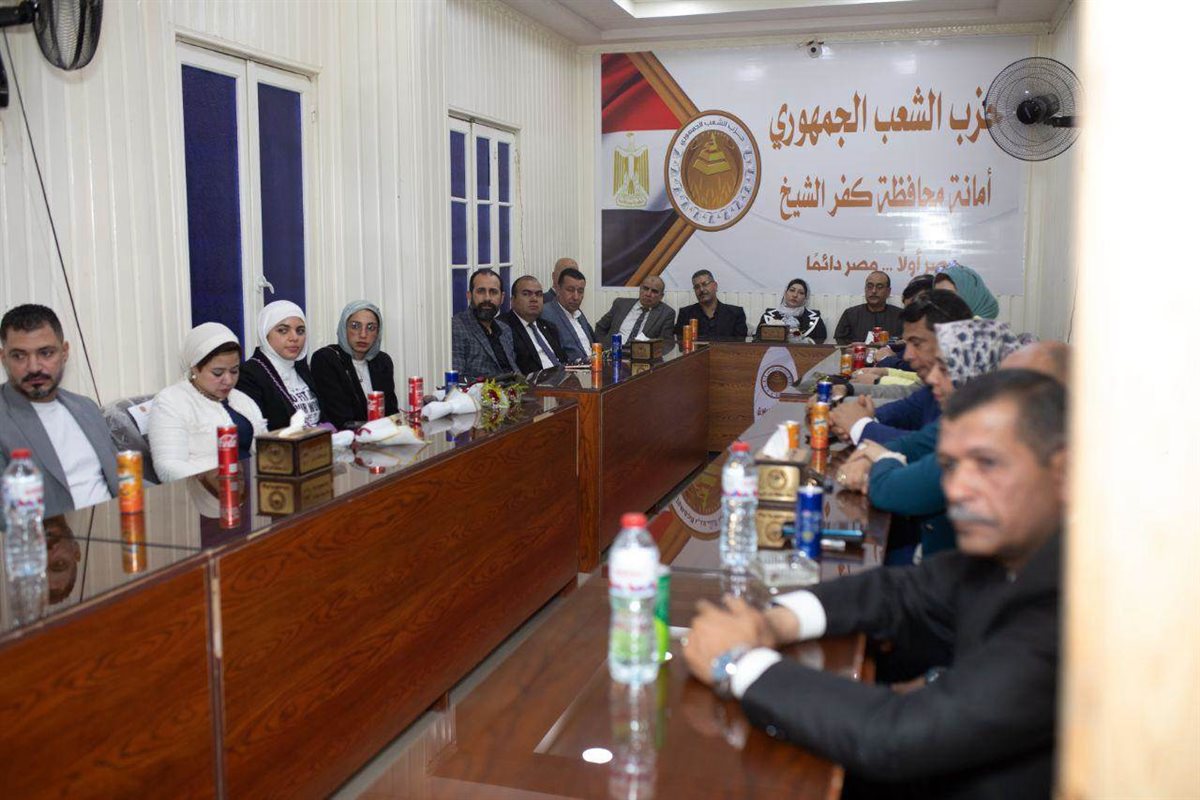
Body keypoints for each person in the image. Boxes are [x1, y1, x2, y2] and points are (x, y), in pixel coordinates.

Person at [683, 369, 1067, 799]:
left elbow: (897, 738)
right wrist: (776, 622)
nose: (957, 489)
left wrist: (736, 664)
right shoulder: (1010, 554)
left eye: (987, 463)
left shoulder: (1075, 604)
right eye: (949, 466)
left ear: (1065, 472)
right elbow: (898, 591)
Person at [839, 319, 1035, 560]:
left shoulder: (988, 440)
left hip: (957, 572)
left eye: (943, 369)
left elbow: (889, 490)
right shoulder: (962, 420)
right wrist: (873, 454)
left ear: (975, 373)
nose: (931, 377)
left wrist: (881, 457)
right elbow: (910, 444)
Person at [0, 304, 117, 517]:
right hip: (52, 535)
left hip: (118, 523)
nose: (34, 367)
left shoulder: (86, 407)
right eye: (19, 356)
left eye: (46, 353)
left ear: (64, 353)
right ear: (3, 357)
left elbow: (121, 479)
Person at [830, 290, 973, 446]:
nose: (907, 356)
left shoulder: (974, 395)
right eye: (907, 343)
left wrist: (860, 426)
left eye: (916, 343)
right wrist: (841, 416)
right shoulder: (934, 387)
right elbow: (905, 410)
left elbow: (925, 446)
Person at [150, 323, 267, 482]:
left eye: (234, 370)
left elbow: (264, 448)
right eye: (218, 373)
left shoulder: (241, 399)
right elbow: (168, 466)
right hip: (203, 491)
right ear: (194, 368)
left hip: (251, 484)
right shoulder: (171, 401)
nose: (229, 380)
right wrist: (211, 482)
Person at [237, 300, 326, 431]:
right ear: (265, 333)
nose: (294, 338)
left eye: (300, 331)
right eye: (283, 330)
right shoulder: (249, 375)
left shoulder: (300, 367)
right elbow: (259, 430)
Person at [310, 301, 399, 430]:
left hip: (383, 438)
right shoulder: (327, 359)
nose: (363, 334)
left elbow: (391, 412)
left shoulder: (382, 362)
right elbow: (340, 420)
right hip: (344, 439)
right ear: (343, 328)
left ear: (378, 333)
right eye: (355, 326)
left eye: (371, 328)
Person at [451, 268, 518, 379]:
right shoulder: (456, 327)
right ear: (469, 295)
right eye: (481, 291)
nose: (487, 298)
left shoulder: (505, 329)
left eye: (493, 292)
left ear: (502, 298)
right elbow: (456, 378)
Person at [499, 276, 568, 374]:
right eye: (526, 294)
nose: (534, 299)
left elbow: (564, 361)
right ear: (513, 300)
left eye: (539, 294)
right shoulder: (503, 328)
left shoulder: (549, 327)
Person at [594, 275, 676, 347]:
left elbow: (667, 343)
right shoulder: (620, 304)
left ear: (661, 296)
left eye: (654, 291)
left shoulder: (666, 313)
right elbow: (600, 327)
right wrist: (604, 347)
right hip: (613, 354)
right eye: (645, 288)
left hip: (643, 356)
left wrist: (650, 353)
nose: (648, 294)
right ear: (640, 289)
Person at [832, 270, 904, 344]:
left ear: (888, 291)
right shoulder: (850, 314)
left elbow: (906, 342)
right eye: (869, 286)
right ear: (865, 289)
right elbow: (841, 341)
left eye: (879, 287)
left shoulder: (901, 315)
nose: (873, 291)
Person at [540, 267, 595, 362]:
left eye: (580, 291)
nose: (576, 297)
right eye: (570, 290)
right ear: (558, 289)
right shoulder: (546, 314)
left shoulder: (579, 314)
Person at [674, 270, 748, 339]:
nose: (701, 289)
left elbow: (741, 345)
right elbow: (680, 343)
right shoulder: (685, 314)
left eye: (705, 284)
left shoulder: (735, 314)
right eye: (697, 287)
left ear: (715, 286)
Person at [756, 278, 826, 342]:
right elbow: (758, 341)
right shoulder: (769, 316)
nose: (795, 295)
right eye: (792, 290)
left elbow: (821, 342)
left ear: (805, 298)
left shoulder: (815, 319)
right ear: (785, 293)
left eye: (801, 293)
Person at [934, 264, 1000, 319]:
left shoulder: (993, 328)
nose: (942, 302)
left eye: (948, 295)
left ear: (969, 293)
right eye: (938, 295)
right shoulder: (942, 323)